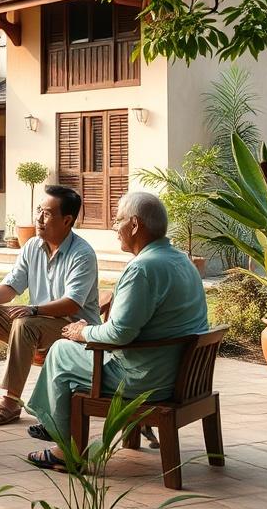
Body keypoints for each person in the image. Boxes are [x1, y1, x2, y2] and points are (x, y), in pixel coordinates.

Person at [25, 191, 209, 470]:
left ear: (134, 225)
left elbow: (120, 334)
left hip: (144, 379)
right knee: (71, 349)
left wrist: (82, 332)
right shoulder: (181, 260)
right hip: (177, 371)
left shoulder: (142, 269)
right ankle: (54, 423)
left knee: (62, 351)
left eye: (118, 220)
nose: (114, 227)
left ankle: (65, 449)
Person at [0, 184, 100, 427]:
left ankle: (11, 400)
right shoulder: (32, 247)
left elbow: (71, 304)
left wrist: (34, 309)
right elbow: (12, 286)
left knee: (24, 323)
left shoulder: (82, 254)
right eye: (38, 210)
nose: (38, 218)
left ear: (67, 220)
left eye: (47, 213)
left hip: (73, 327)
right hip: (38, 320)